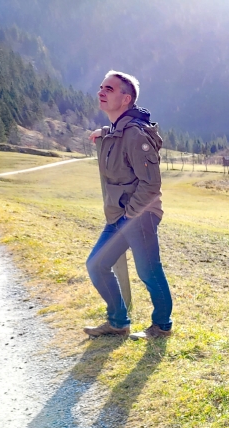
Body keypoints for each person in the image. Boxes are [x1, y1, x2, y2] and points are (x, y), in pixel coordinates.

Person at [83, 70, 173, 340]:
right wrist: (104, 133)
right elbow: (117, 138)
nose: (101, 92)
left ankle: (162, 326)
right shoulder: (117, 130)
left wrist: (130, 215)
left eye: (109, 89)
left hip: (139, 214)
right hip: (119, 215)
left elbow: (151, 184)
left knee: (148, 271)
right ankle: (118, 322)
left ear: (126, 99)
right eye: (101, 87)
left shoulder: (135, 134)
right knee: (97, 265)